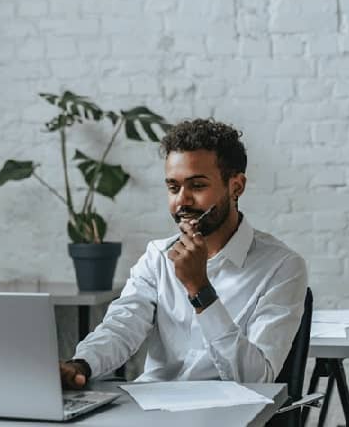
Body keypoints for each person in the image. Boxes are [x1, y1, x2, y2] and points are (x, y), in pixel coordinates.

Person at [59, 119, 307, 388]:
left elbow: (257, 379)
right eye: (173, 187)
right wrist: (81, 364)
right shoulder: (157, 257)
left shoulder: (282, 266)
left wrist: (200, 289)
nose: (182, 200)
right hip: (152, 407)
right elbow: (121, 327)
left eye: (197, 186)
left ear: (236, 186)